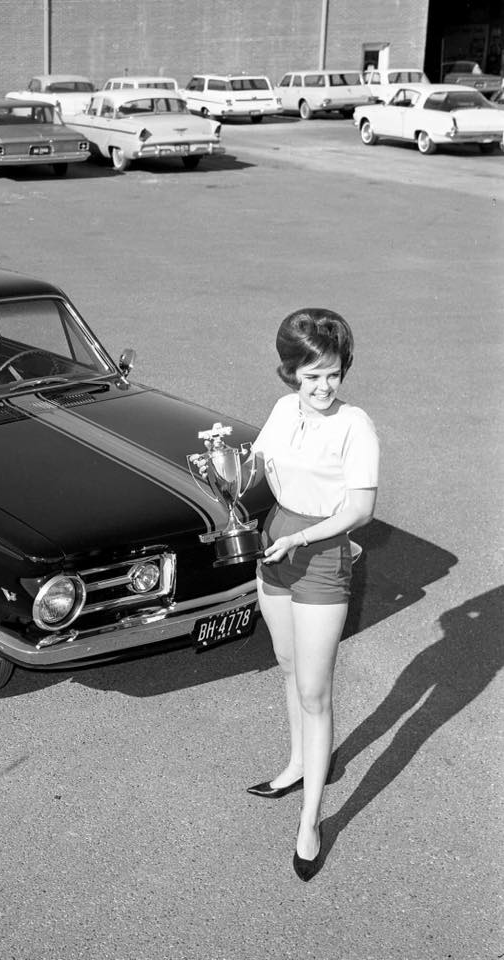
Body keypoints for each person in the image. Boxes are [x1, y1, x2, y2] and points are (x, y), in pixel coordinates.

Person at [247, 307, 379, 882]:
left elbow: (360, 509)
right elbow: (257, 464)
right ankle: (300, 763)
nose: (324, 387)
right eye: (311, 376)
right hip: (275, 542)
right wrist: (222, 472)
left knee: (314, 691)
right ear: (290, 373)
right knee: (286, 664)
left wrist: (301, 538)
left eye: (333, 374)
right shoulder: (283, 410)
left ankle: (311, 821)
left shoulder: (356, 425)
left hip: (321, 553)